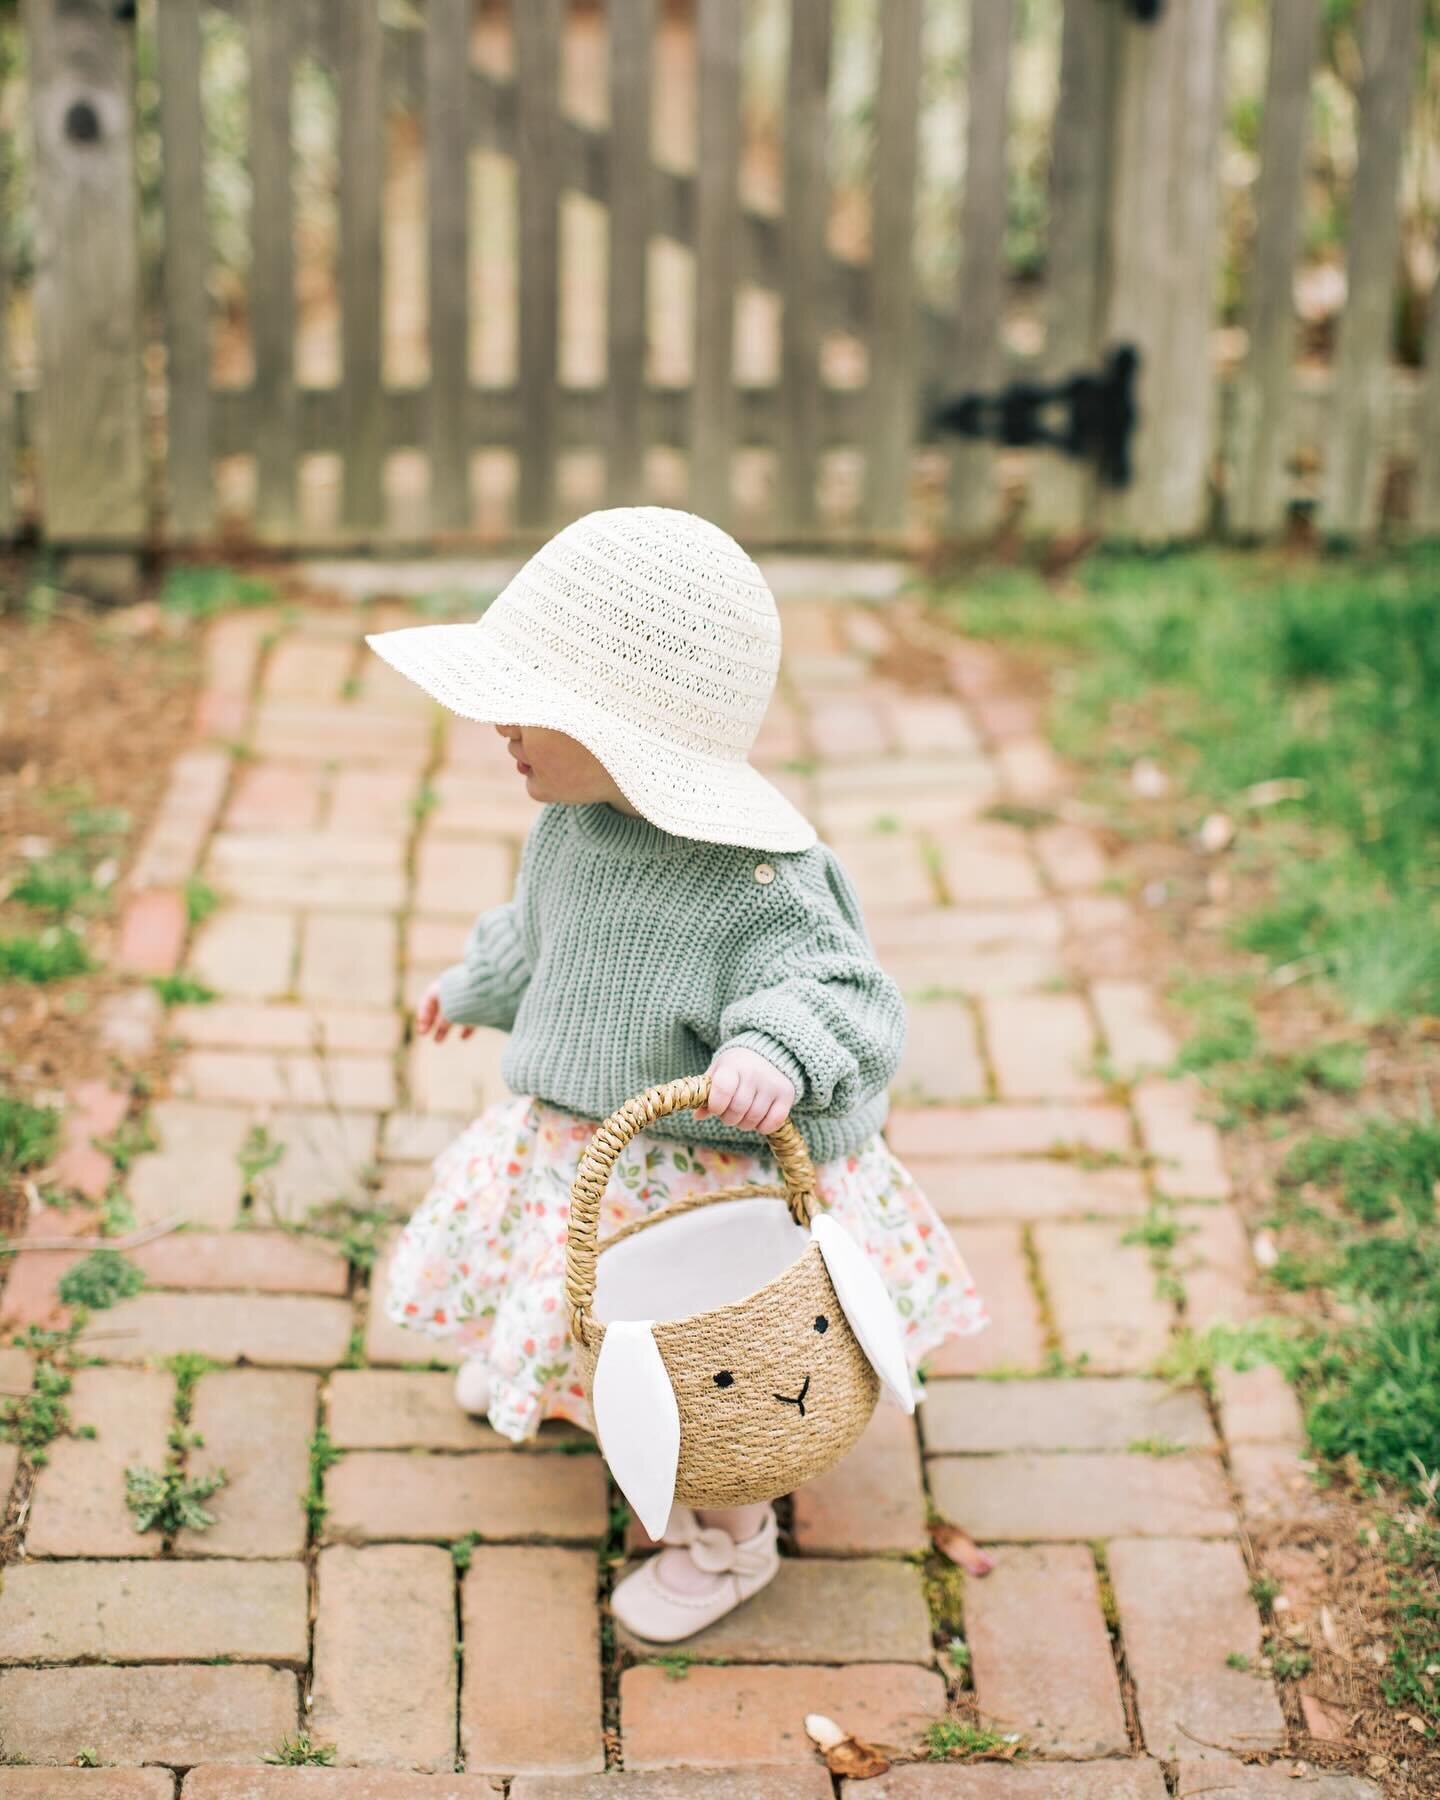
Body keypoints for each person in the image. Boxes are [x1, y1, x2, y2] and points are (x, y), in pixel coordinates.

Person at [366, 505, 988, 1642]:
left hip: (711, 1184)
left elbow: (842, 993)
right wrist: (475, 984)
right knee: (577, 1286)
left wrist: (773, 1052)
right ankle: (562, 1375)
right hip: (591, 1148)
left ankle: (731, 1533)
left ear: (622, 726)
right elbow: (544, 935)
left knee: (710, 1357)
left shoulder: (761, 881)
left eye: (526, 706)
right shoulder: (570, 822)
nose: (499, 727)